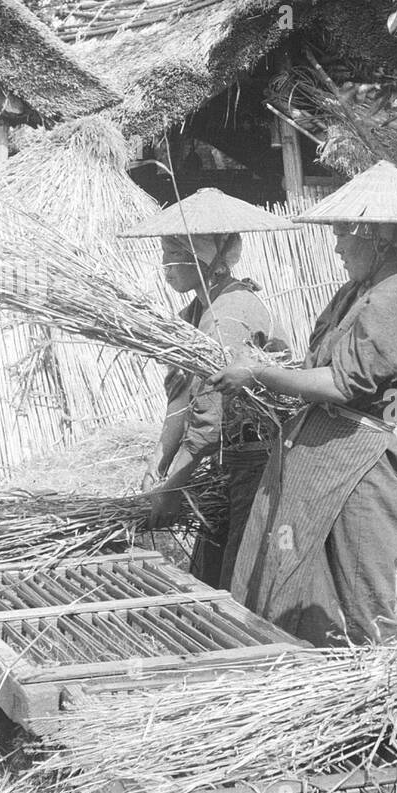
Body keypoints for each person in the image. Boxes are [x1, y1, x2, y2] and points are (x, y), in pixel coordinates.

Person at [210, 161, 397, 646]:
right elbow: (316, 360)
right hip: (319, 451)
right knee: (293, 564)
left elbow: (345, 383)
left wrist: (259, 373)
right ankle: (296, 672)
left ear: (377, 236)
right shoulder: (360, 291)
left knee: (359, 594)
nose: (338, 245)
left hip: (357, 460)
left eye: (346, 233)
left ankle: (369, 694)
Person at [128, 189, 293, 589]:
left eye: (174, 255)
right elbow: (182, 396)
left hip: (258, 456)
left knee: (240, 569)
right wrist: (159, 459)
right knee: (212, 561)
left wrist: (173, 486)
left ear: (206, 258)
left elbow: (210, 416)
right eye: (164, 255)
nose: (165, 267)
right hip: (228, 456)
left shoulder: (229, 316)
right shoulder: (196, 312)